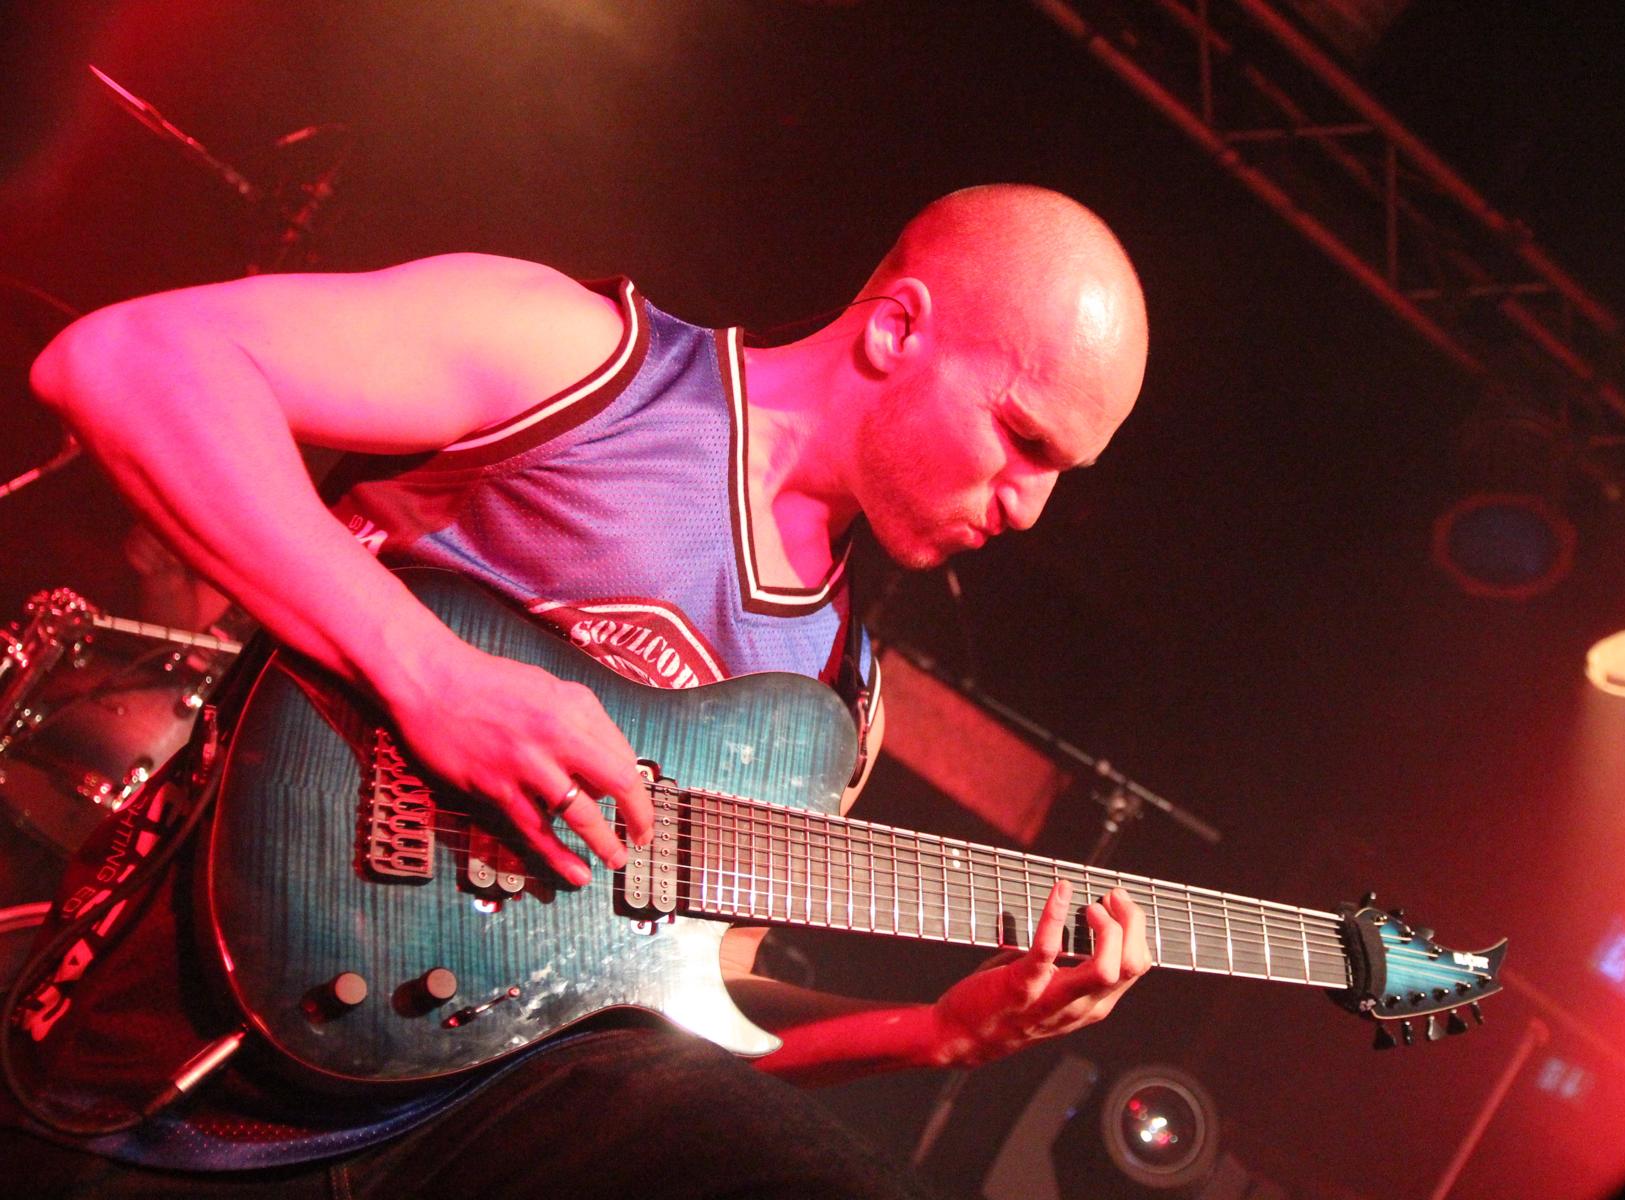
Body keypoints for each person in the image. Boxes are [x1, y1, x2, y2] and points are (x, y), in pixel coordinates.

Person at [7, 184, 1152, 1196]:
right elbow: (123, 362)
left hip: (466, 1140)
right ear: (898, 329)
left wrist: (935, 1034)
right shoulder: (584, 362)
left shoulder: (835, 702)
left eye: (1062, 473)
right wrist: (432, 674)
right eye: (1023, 439)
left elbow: (664, 1026)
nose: (1028, 507)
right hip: (163, 1083)